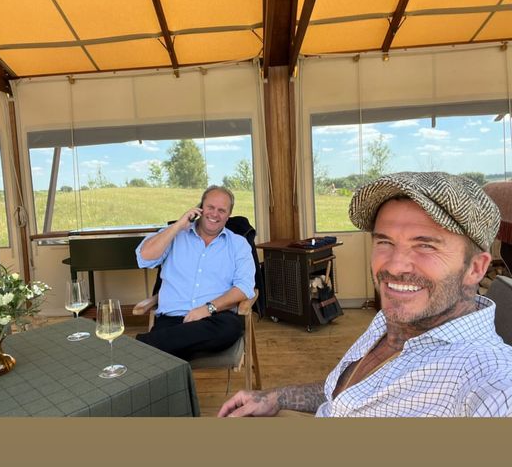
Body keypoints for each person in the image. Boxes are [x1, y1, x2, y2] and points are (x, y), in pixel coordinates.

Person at [219, 171, 512, 418]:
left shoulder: (492, 380)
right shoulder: (392, 319)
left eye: (425, 245)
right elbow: (344, 392)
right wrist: (277, 397)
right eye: (384, 241)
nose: (394, 267)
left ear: (475, 268)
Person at [135, 185, 255, 361]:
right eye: (210, 207)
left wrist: (208, 309)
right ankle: (160, 349)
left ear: (228, 215)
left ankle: (142, 346)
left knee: (230, 327)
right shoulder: (174, 235)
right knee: (169, 352)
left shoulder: (238, 244)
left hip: (215, 319)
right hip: (172, 320)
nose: (215, 214)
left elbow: (244, 287)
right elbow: (144, 257)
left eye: (222, 210)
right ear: (200, 208)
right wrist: (177, 226)